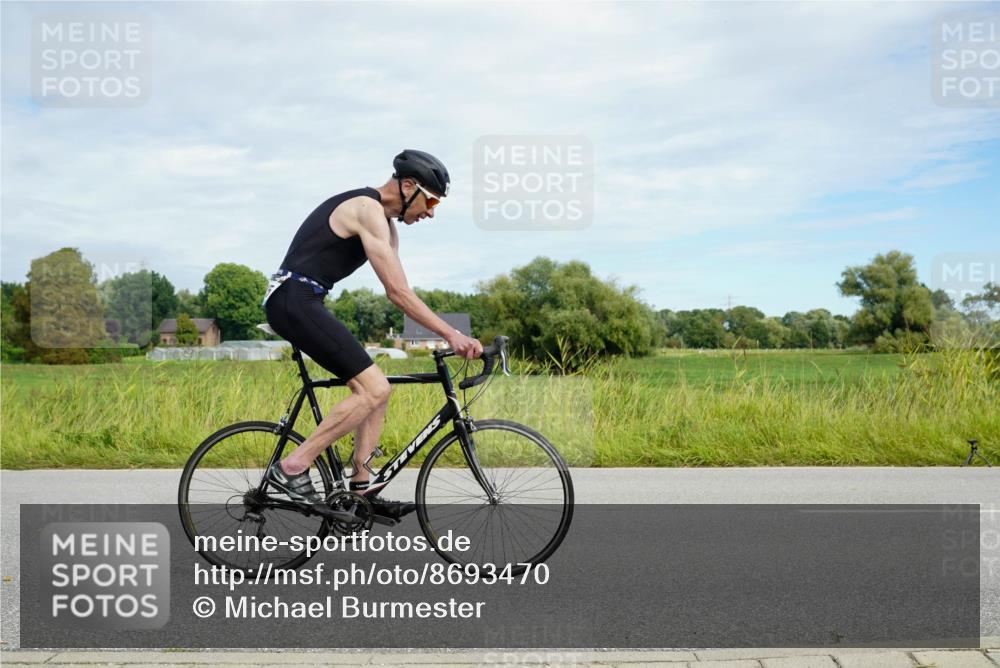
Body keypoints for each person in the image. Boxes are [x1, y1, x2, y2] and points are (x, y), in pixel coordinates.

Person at [261, 149, 483, 520]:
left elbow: (402, 292)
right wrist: (451, 334)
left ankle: (362, 487)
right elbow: (396, 292)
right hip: (293, 298)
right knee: (373, 388)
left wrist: (448, 332)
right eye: (430, 202)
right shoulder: (366, 209)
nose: (430, 213)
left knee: (377, 392)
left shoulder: (387, 225)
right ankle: (292, 468)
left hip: (306, 299)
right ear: (409, 186)